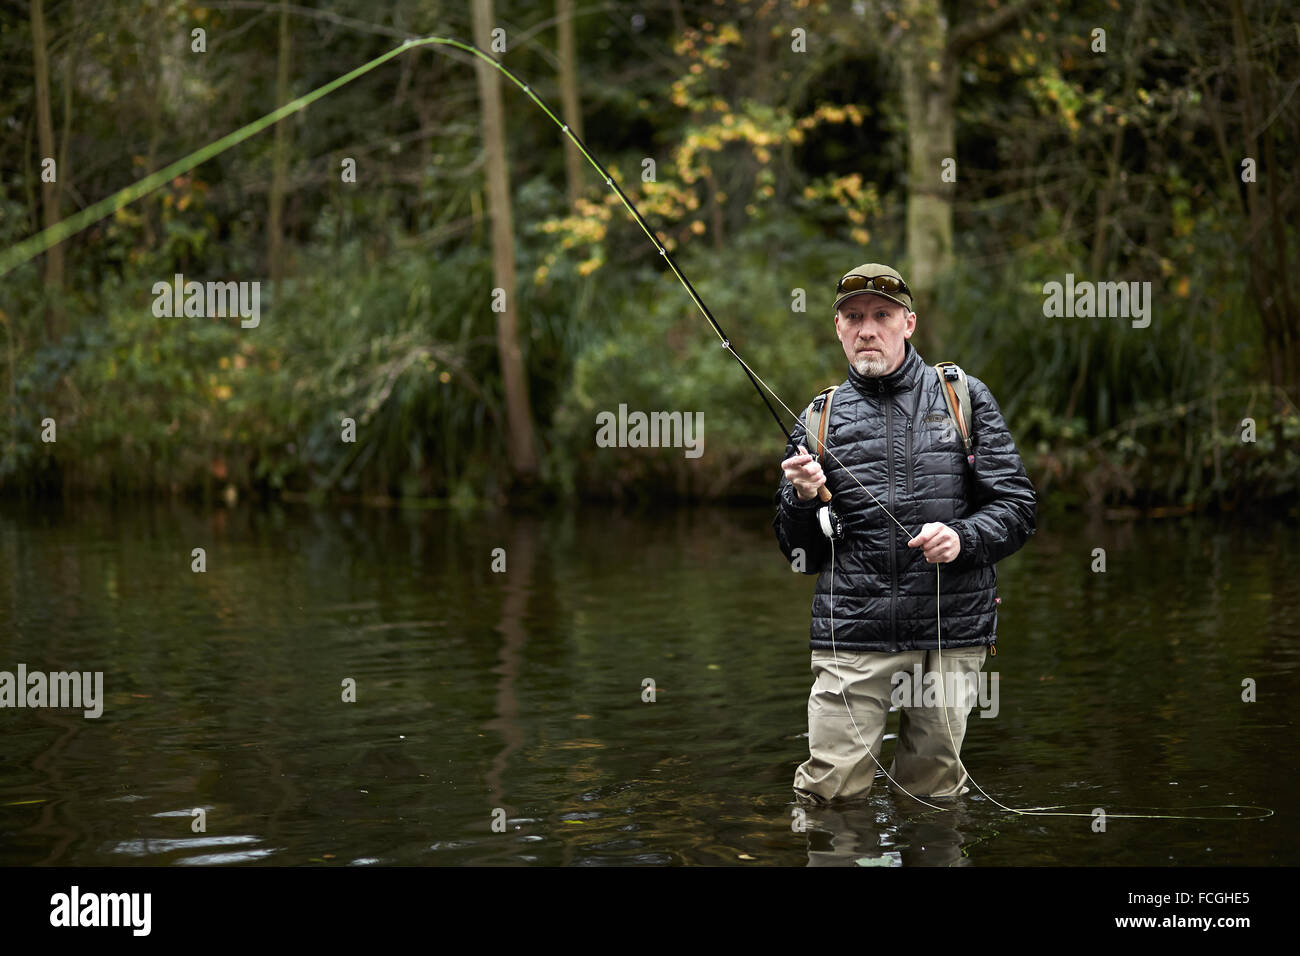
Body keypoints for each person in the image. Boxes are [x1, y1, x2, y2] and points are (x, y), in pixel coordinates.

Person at [773, 263, 1036, 805]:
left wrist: (962, 538)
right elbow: (799, 554)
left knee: (933, 796)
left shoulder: (963, 398)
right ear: (839, 330)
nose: (867, 329)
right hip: (853, 635)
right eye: (853, 317)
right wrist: (802, 498)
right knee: (830, 796)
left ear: (908, 323)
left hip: (950, 630)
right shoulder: (818, 419)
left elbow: (1018, 508)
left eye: (882, 316)